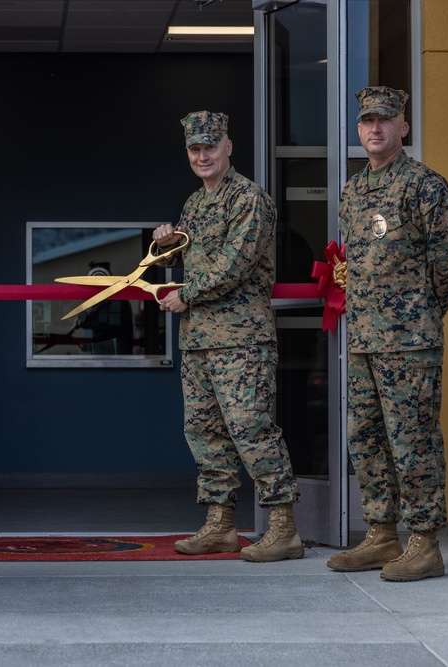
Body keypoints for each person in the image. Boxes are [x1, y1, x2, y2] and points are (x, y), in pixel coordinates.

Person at [327, 87, 448, 582]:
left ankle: (425, 543)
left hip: (410, 341)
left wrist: (422, 308)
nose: (375, 128)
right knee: (366, 439)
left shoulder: (423, 185)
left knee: (413, 441)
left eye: (384, 120)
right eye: (367, 120)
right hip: (365, 338)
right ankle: (381, 535)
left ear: (403, 127)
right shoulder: (353, 190)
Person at [153, 110, 303, 562]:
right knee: (204, 432)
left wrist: (187, 293)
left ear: (228, 147)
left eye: (210, 146)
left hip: (241, 341)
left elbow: (234, 265)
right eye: (195, 149)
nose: (202, 155)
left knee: (252, 430)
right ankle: (220, 526)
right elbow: (185, 258)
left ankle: (284, 528)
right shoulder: (195, 204)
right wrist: (163, 248)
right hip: (199, 340)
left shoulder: (249, 199)